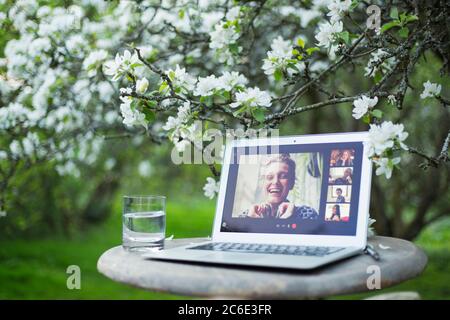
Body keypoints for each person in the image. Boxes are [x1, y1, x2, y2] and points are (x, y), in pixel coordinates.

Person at [240, 153, 318, 220]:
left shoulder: (306, 215)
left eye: (283, 176)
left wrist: (287, 220)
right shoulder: (247, 216)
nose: (275, 182)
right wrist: (251, 222)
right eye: (270, 177)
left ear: (292, 183)